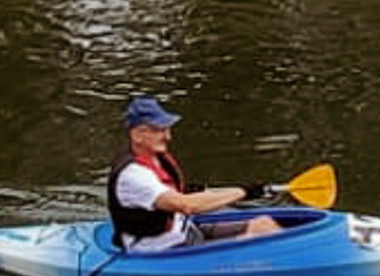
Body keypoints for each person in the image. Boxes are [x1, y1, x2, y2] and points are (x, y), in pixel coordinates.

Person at [107, 96, 282, 251]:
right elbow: (186, 205)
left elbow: (184, 193)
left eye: (167, 129)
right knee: (262, 235)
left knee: (264, 223)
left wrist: (250, 191)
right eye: (159, 130)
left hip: (184, 231)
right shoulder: (134, 175)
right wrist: (244, 192)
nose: (168, 137)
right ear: (138, 135)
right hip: (163, 249)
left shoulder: (157, 158)